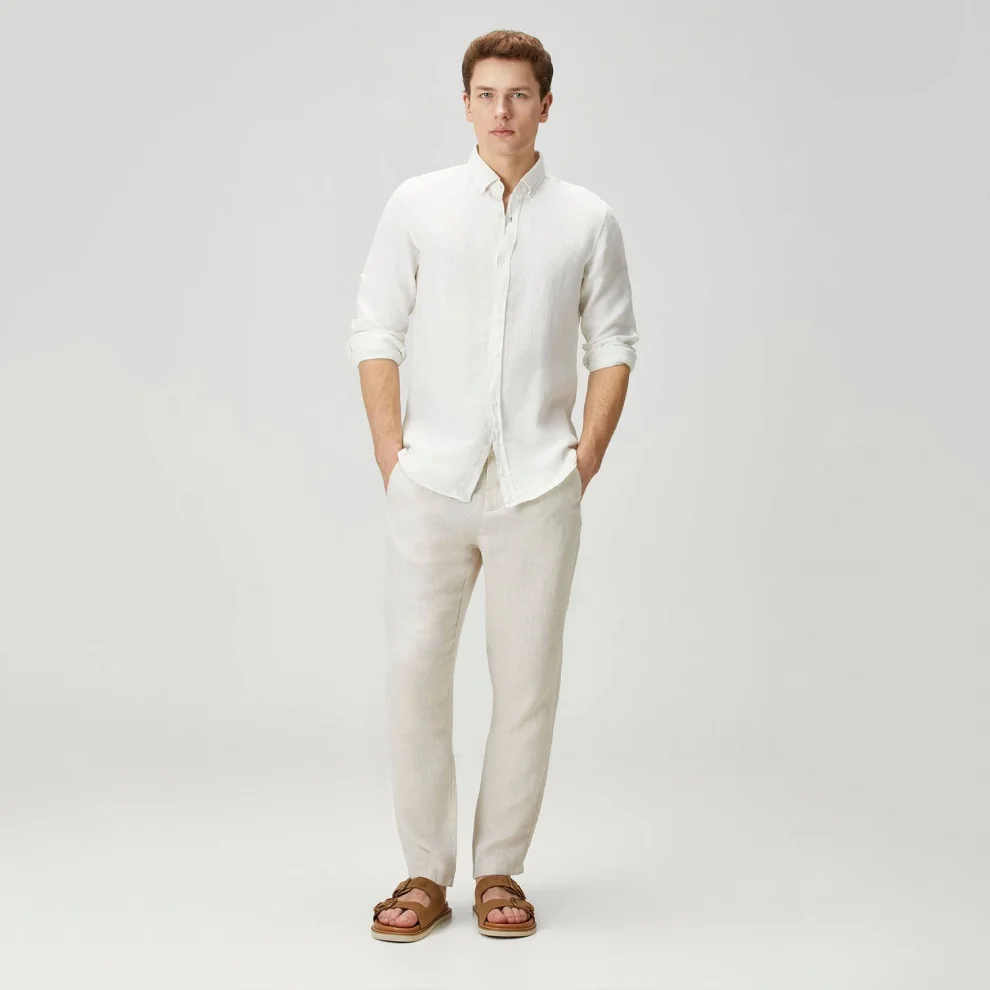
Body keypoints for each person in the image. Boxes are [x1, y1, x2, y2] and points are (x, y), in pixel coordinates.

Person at [348, 29, 638, 941]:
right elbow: (376, 327)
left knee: (526, 686)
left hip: (538, 487)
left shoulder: (586, 219)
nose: (502, 110)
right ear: (466, 104)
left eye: (519, 95)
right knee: (413, 676)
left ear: (546, 106)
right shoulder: (419, 205)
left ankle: (500, 870)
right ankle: (423, 873)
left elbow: (614, 341)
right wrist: (391, 451)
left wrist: (585, 457)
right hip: (430, 481)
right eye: (486, 94)